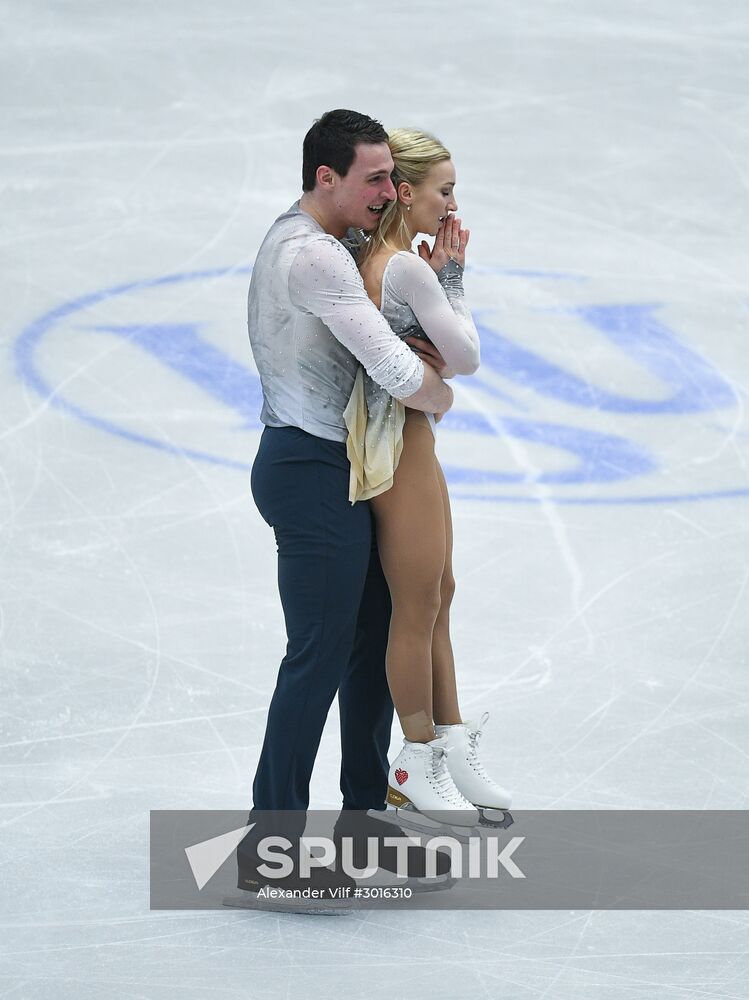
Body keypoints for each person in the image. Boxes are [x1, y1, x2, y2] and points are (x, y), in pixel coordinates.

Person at [237, 110, 454, 896]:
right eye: (372, 178)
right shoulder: (312, 258)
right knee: (319, 655)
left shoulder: (336, 244)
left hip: (341, 468)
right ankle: (271, 848)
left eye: (392, 177)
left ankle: (365, 825)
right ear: (324, 177)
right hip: (307, 470)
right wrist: (441, 394)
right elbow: (396, 369)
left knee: (369, 645)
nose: (388, 191)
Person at [343, 128, 512, 828]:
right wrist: (451, 276)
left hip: (406, 439)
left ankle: (448, 737)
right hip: (400, 445)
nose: (451, 204)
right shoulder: (406, 269)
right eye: (444, 189)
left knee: (438, 592)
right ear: (405, 192)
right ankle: (414, 759)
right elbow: (466, 357)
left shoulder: (374, 258)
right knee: (417, 605)